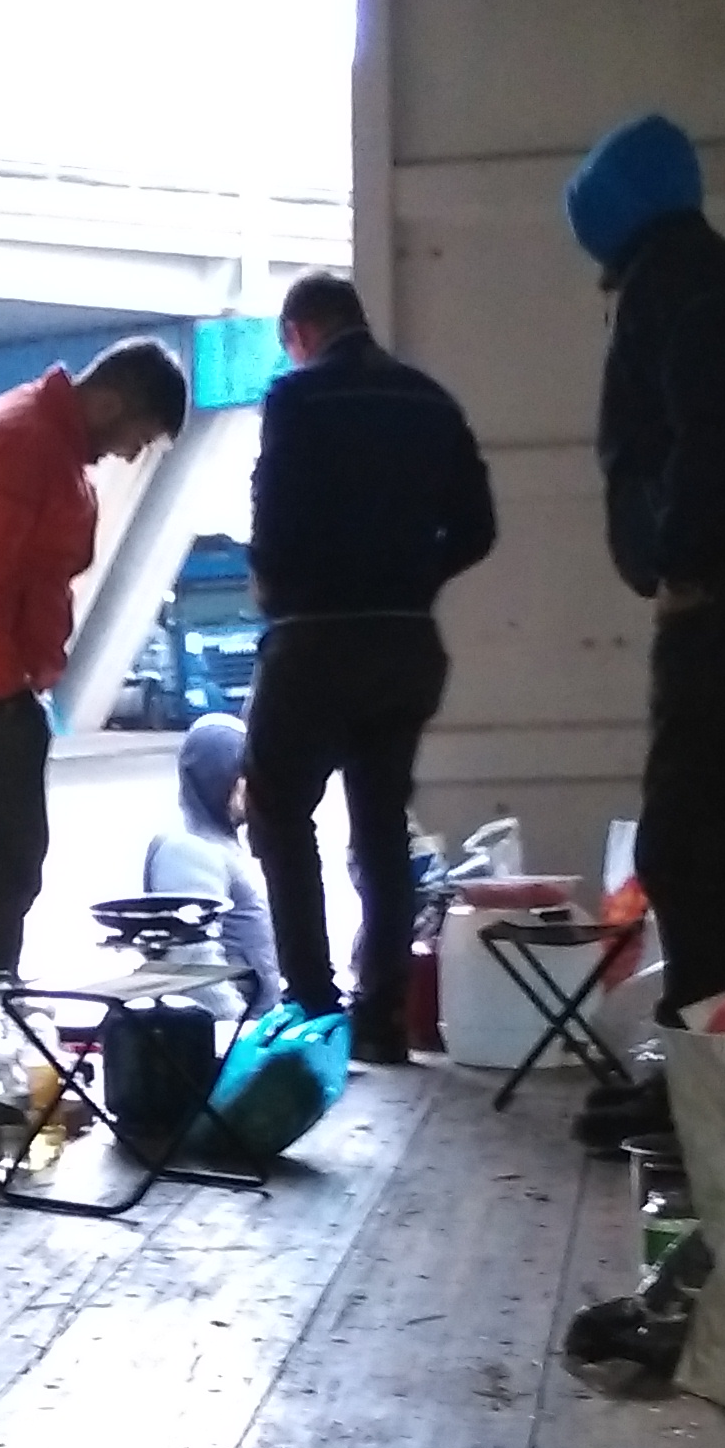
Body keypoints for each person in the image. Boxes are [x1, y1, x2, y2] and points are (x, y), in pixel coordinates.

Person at [570, 112, 725, 1053]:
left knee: (687, 844)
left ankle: (715, 1073)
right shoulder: (704, 276)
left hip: (723, 591)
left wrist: (680, 563)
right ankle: (711, 1063)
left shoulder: (679, 285)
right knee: (702, 835)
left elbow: (704, 440)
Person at [239, 270, 496, 1063]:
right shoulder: (430, 401)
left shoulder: (296, 399)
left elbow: (274, 524)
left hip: (315, 639)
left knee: (280, 814)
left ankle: (314, 1008)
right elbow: (478, 528)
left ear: (300, 333)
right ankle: (381, 1021)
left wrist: (282, 592)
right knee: (380, 826)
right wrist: (415, 582)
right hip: (406, 645)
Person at [0, 337, 190, 998]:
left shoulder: (47, 444)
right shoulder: (21, 444)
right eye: (137, 435)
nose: (130, 453)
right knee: (8, 849)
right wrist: (4, 690)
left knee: (7, 848)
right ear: (108, 401)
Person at [141, 712, 278, 1019]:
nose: (253, 786)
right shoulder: (189, 849)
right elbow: (193, 965)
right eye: (243, 774)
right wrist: (238, 1035)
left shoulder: (220, 842)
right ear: (216, 776)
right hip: (230, 1041)